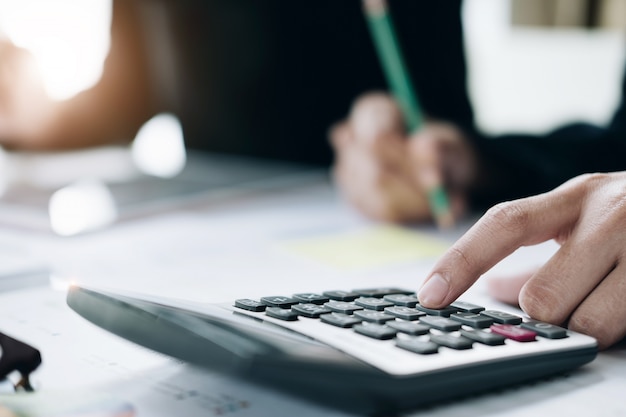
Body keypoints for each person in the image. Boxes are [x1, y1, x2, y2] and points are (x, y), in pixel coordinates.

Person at [2, 1, 626, 348]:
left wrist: (437, 149)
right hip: (216, 239)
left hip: (390, 236)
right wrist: (34, 112)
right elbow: (127, 91)